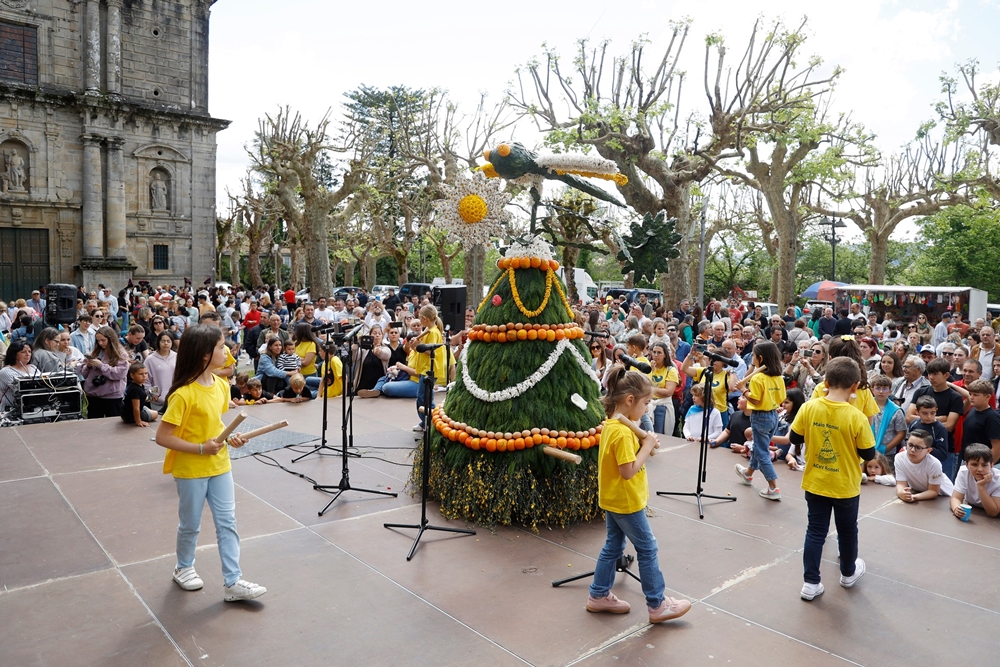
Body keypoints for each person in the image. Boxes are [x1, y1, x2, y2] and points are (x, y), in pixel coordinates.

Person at [154, 324, 265, 602]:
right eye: (220, 346)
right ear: (205, 355)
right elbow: (163, 437)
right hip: (191, 469)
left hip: (220, 465)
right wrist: (201, 448)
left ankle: (233, 581)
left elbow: (215, 427)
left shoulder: (221, 386)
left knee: (227, 522)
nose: (226, 350)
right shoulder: (183, 394)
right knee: (190, 524)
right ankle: (183, 567)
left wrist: (230, 438)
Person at [585, 365, 691, 622]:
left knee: (614, 545)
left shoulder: (614, 423)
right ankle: (658, 604)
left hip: (615, 498)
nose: (647, 409)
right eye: (646, 403)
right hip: (625, 501)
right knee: (648, 547)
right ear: (630, 400)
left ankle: (598, 595)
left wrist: (644, 441)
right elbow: (628, 471)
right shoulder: (621, 432)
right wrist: (647, 445)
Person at [788, 357, 875, 601]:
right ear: (855, 386)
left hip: (816, 481)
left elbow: (795, 438)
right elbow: (868, 453)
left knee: (815, 531)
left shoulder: (809, 407)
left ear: (825, 382)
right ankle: (848, 573)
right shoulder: (856, 416)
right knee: (847, 530)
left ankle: (811, 582)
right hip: (845, 485)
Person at [734, 342, 786, 500]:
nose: (752, 358)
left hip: (761, 416)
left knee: (762, 452)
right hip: (773, 416)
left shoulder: (758, 378)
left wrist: (743, 390)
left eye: (754, 356)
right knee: (758, 446)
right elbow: (781, 398)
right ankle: (748, 474)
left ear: (761, 358)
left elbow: (755, 401)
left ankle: (773, 487)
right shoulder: (778, 377)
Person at [905, 358, 966, 479]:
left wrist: (924, 420)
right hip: (918, 450)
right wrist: (939, 418)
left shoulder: (955, 398)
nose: (931, 377)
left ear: (946, 375)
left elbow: (949, 426)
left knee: (944, 489)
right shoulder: (921, 392)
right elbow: (909, 417)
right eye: (929, 374)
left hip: (944, 450)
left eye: (935, 374)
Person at [81, 326, 130, 418]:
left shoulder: (121, 354)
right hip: (93, 395)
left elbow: (119, 374)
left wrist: (101, 365)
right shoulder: (94, 353)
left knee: (113, 425)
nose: (100, 343)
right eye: (98, 340)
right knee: (94, 425)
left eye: (103, 340)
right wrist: (88, 366)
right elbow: (84, 374)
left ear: (111, 339)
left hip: (112, 396)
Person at [895, 430, 954, 502]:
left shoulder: (934, 464)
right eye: (910, 445)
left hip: (944, 496)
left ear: (928, 451)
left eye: (918, 448)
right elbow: (901, 483)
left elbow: (933, 491)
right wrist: (901, 492)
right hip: (920, 493)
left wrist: (914, 497)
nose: (912, 450)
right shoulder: (899, 458)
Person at [950, 443, 1000, 518]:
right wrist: (956, 508)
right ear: (966, 465)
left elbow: (993, 512)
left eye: (984, 465)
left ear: (992, 465)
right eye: (974, 465)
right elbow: (956, 497)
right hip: (973, 508)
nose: (980, 469)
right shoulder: (963, 472)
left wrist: (981, 487)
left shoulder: (998, 478)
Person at [960, 379, 1000, 463]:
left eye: (976, 395)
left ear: (987, 397)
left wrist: (986, 466)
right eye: (970, 394)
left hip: (981, 463)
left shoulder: (992, 418)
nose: (971, 397)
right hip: (968, 460)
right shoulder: (973, 410)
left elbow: (997, 447)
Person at [870, 374, 907, 457]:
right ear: (872, 390)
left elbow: (901, 433)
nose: (881, 391)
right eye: (878, 388)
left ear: (890, 391)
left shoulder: (896, 411)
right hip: (867, 450)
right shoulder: (866, 406)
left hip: (888, 453)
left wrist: (886, 448)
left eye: (885, 388)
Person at [647, 341, 678, 435]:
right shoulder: (648, 367)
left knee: (659, 434)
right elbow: (643, 385)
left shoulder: (671, 370)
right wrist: (650, 371)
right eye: (654, 352)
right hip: (648, 404)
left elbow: (668, 391)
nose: (656, 355)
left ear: (665, 355)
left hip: (662, 406)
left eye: (659, 352)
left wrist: (650, 389)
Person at [0, 339, 38, 411]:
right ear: (14, 354)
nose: (28, 354)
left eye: (29, 351)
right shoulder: (6, 371)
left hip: (33, 409)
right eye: (23, 352)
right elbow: (21, 389)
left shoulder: (33, 368)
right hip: (10, 411)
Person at [145, 331, 177, 411]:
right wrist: (154, 396)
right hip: (158, 403)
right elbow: (145, 381)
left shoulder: (177, 357)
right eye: (163, 341)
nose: (165, 343)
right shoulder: (150, 359)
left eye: (168, 341)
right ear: (158, 342)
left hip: (175, 399)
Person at [121, 362, 159, 427]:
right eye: (141, 374)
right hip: (130, 416)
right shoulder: (135, 390)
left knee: (149, 410)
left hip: (128, 412)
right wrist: (138, 421)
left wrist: (150, 398)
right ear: (132, 375)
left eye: (146, 373)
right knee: (156, 414)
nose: (144, 376)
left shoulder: (139, 385)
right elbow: (136, 408)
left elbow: (143, 399)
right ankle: (138, 418)